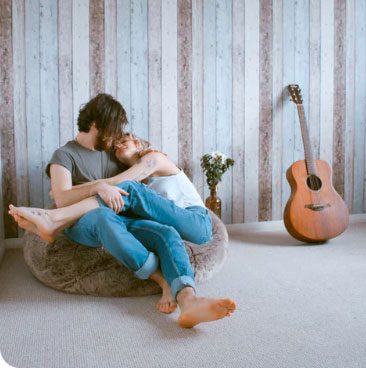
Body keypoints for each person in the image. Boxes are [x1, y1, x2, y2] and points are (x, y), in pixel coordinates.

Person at [9, 93, 236, 328]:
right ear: (97, 124)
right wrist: (99, 186)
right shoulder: (64, 156)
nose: (117, 138)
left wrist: (106, 183)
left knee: (166, 232)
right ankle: (161, 280)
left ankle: (189, 301)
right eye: (114, 130)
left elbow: (136, 183)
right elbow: (62, 197)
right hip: (89, 221)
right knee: (103, 215)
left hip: (125, 218)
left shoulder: (114, 155)